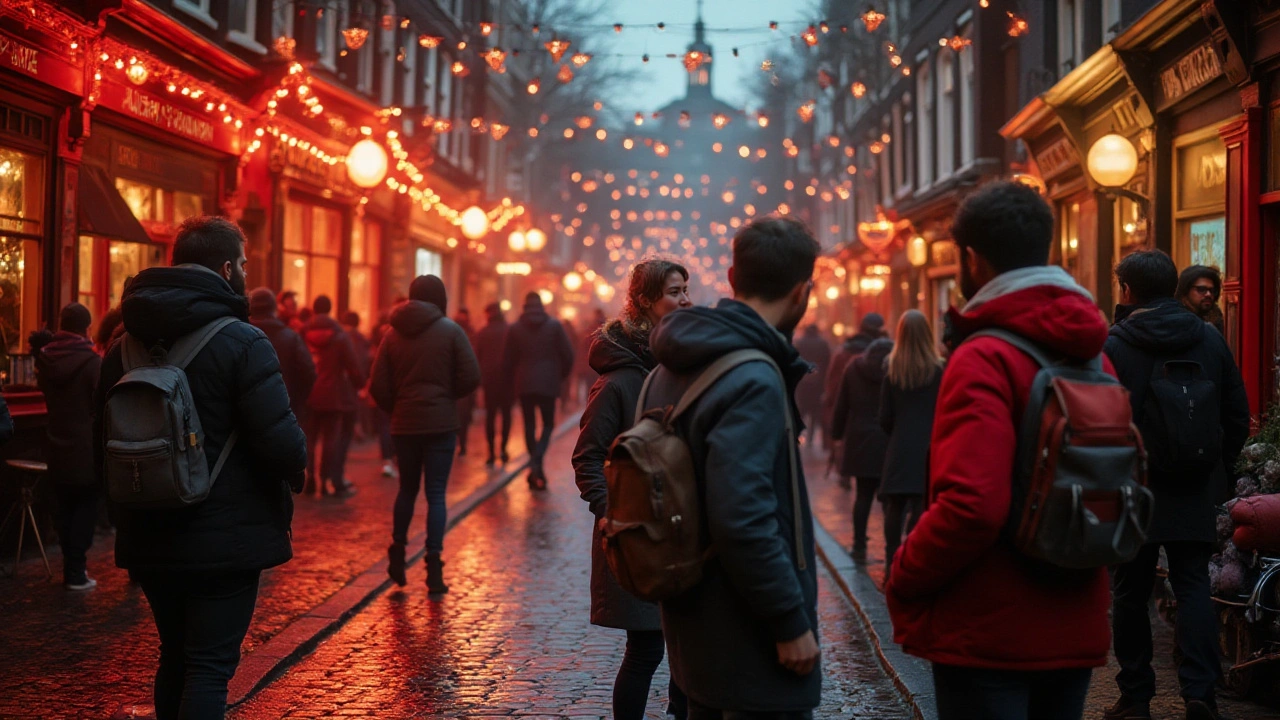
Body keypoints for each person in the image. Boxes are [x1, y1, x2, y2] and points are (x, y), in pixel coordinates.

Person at [886, 182, 1112, 719]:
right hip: (1074, 613)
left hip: (988, 630)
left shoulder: (983, 356)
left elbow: (972, 504)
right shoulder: (1092, 354)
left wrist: (904, 571)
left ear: (971, 260)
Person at [94, 215, 306, 719]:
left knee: (174, 656)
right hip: (224, 536)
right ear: (228, 267)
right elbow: (282, 444)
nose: (248, 273)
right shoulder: (244, 342)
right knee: (209, 666)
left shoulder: (121, 345)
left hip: (147, 526)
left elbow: (97, 437)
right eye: (246, 265)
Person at [642, 216, 821, 718]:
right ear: (801, 291)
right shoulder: (754, 377)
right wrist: (788, 620)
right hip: (750, 637)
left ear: (731, 276)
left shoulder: (666, 367)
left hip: (693, 626)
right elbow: (743, 515)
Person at [1104, 250, 1250, 720]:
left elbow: (1100, 420)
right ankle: (1200, 693)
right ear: (1172, 287)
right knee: (1191, 585)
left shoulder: (1116, 343)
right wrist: (1220, 469)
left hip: (1135, 483)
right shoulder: (1207, 337)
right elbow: (1235, 407)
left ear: (1127, 290)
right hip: (1195, 481)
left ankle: (1135, 696)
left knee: (1130, 591)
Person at [572, 259, 693, 720]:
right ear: (644, 301)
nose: (684, 300)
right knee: (646, 651)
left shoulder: (682, 367)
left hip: (684, 530)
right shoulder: (619, 381)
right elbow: (587, 456)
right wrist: (608, 513)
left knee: (687, 655)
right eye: (673, 292)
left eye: (685, 290)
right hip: (638, 532)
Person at [369, 276, 480, 593]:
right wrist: (447, 398)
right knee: (435, 494)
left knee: (406, 490)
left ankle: (398, 551)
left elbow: (378, 384)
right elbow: (471, 376)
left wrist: (398, 406)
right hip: (441, 425)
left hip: (405, 425)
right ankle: (433, 564)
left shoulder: (391, 334)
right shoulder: (451, 331)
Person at [33, 303, 102, 591]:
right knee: (85, 506)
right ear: (86, 328)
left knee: (63, 507)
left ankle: (69, 566)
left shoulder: (45, 359)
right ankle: (76, 571)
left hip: (54, 441)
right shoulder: (91, 362)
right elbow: (98, 403)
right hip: (85, 446)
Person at [877, 310, 942, 582]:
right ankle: (913, 557)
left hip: (900, 444)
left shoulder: (892, 368)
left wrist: (897, 433)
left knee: (895, 504)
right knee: (921, 503)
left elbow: (884, 417)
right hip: (928, 446)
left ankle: (892, 559)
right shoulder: (940, 369)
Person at [502, 292, 574, 490]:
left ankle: (535, 466)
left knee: (529, 425)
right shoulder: (554, 326)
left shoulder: (516, 328)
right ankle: (537, 462)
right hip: (548, 382)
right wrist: (560, 376)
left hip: (524, 383)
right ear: (541, 306)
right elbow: (568, 355)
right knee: (549, 424)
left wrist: (512, 381)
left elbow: (507, 361)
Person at [831, 337, 893, 561]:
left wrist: (836, 435)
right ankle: (892, 548)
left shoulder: (854, 368)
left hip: (860, 440)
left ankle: (858, 546)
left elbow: (842, 404)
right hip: (888, 441)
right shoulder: (897, 368)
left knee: (863, 496)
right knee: (889, 500)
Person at [302, 296, 365, 497]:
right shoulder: (339, 335)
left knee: (310, 439)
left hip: (309, 393)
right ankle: (325, 479)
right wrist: (360, 386)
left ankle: (310, 476)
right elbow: (353, 366)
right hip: (333, 395)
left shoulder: (302, 333)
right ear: (330, 309)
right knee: (331, 439)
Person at [822, 313, 885, 488]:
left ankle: (845, 473)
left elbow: (833, 382)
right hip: (872, 406)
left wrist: (831, 404)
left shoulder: (843, 352)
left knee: (847, 438)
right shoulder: (882, 355)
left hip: (848, 405)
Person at [248, 288, 316, 421]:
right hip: (284, 409)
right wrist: (296, 401)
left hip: (247, 413)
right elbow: (308, 372)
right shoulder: (291, 337)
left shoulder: (237, 336)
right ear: (275, 309)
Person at [475, 302, 513, 467]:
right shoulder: (509, 330)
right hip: (507, 380)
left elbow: (476, 357)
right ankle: (503, 449)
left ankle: (491, 453)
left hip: (489, 380)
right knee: (506, 415)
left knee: (490, 416)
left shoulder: (483, 332)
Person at [793, 325, 831, 449]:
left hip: (802, 382)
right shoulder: (823, 344)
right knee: (815, 411)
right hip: (817, 383)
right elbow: (827, 364)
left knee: (801, 410)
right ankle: (810, 437)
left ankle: (797, 434)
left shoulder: (800, 343)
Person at [453, 308, 478, 457]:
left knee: (462, 416)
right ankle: (460, 443)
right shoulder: (466, 333)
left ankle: (461, 443)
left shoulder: (471, 333)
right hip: (460, 381)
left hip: (461, 381)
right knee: (461, 415)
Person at [1176, 265, 1225, 335]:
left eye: (1212, 290)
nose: (1208, 294)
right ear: (1186, 291)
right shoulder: (1175, 318)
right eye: (1201, 289)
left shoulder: (1215, 317)